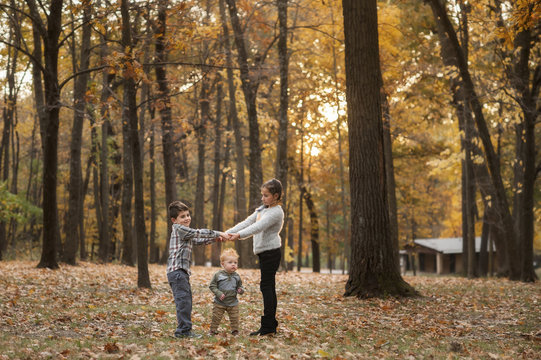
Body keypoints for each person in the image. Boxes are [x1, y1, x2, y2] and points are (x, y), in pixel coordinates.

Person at [227, 179, 284, 336]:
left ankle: (268, 325)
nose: (262, 198)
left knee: (267, 287)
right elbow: (248, 222)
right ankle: (269, 324)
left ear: (276, 196)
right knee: (267, 287)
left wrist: (238, 235)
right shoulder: (263, 209)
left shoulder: (276, 212)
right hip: (264, 253)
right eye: (262, 195)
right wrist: (228, 233)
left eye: (266, 195)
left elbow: (257, 227)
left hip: (271, 253)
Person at [166, 200, 227, 339]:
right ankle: (183, 331)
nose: (187, 218)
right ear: (174, 220)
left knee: (186, 301)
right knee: (183, 301)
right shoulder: (179, 229)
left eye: (188, 215)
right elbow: (198, 233)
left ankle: (184, 329)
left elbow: (197, 240)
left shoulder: (185, 233)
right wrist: (219, 232)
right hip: (177, 272)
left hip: (181, 272)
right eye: (183, 216)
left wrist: (215, 239)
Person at [208, 248, 245, 335]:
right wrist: (218, 293)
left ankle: (235, 330)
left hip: (233, 302)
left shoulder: (237, 276)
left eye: (235, 263)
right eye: (230, 262)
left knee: (234, 317)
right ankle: (213, 330)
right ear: (223, 264)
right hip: (219, 302)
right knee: (216, 317)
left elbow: (240, 286)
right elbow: (212, 286)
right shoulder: (218, 275)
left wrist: (241, 290)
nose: (233, 265)